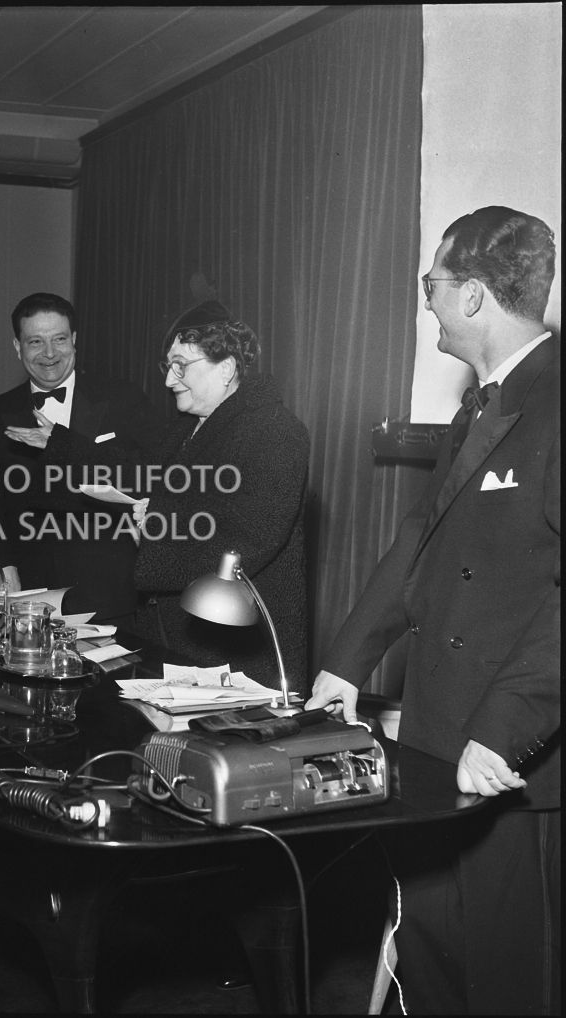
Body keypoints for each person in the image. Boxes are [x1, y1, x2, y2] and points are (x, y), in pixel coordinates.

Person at [306, 206, 560, 1014]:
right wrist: (346, 664)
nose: (429, 303)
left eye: (434, 286)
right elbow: (418, 545)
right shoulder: (481, 406)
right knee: (433, 955)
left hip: (510, 758)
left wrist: (505, 723)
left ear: (477, 296)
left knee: (506, 977)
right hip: (436, 741)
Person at [127, 300, 308, 686]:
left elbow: (247, 537)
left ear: (226, 368)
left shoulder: (275, 431)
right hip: (180, 644)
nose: (169, 381)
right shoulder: (187, 427)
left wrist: (156, 533)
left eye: (182, 366)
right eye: (168, 366)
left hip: (234, 656)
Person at [0, 292, 161, 624]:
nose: (49, 353)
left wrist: (70, 445)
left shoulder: (124, 399)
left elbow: (150, 474)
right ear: (17, 346)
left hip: (110, 587)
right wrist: (5, 568)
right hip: (30, 591)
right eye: (35, 341)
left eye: (59, 339)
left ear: (74, 340)